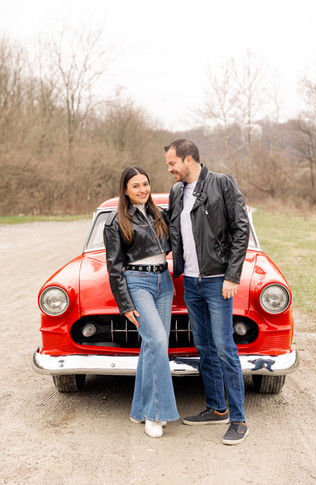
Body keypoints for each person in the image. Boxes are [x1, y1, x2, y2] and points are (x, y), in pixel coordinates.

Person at [164, 139, 250, 445]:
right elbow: (170, 232)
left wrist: (232, 276)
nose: (170, 170)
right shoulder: (176, 192)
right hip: (190, 281)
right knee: (203, 346)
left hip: (217, 281)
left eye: (173, 163)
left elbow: (242, 230)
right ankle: (217, 408)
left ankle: (238, 419)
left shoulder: (223, 184)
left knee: (224, 347)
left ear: (189, 159)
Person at [103, 166, 179, 438]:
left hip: (164, 282)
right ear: (125, 189)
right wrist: (125, 304)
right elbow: (114, 267)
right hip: (137, 282)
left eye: (145, 184)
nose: (142, 189)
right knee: (158, 341)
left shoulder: (159, 213)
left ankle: (138, 410)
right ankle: (156, 414)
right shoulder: (115, 221)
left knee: (152, 346)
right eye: (135, 185)